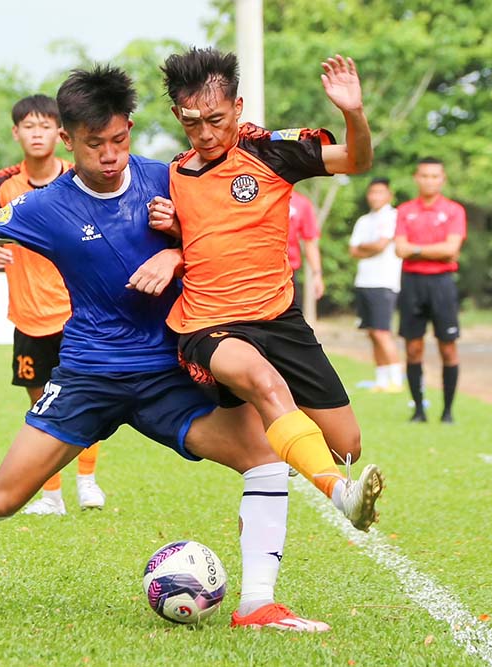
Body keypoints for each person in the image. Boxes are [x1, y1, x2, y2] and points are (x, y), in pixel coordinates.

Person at [0, 65, 332, 631]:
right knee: (5, 496)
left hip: (167, 373)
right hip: (89, 375)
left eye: (120, 140)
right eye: (95, 145)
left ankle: (256, 604)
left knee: (265, 457)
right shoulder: (44, 207)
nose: (111, 154)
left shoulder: (166, 178)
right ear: (69, 141)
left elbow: (220, 237)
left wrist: (176, 254)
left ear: (131, 130)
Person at [155, 47, 384, 530]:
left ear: (238, 108)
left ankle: (278, 435)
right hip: (208, 325)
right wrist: (172, 239)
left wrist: (352, 111)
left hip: (278, 319)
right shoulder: (173, 173)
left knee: (346, 445)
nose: (206, 133)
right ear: (178, 114)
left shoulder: (270, 150)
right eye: (193, 123)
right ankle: (338, 493)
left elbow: (357, 161)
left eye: (217, 119)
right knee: (265, 381)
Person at [0, 94, 104, 516]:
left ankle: (87, 481)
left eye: (44, 126)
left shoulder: (79, 176)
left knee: (87, 398)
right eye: (28, 127)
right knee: (39, 404)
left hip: (76, 312)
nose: (36, 133)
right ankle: (51, 496)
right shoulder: (2, 184)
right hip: (28, 316)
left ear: (60, 133)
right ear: (16, 133)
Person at [393, 157, 467, 423]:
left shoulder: (454, 211)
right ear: (416, 178)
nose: (429, 180)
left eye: (435, 176)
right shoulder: (404, 211)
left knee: (448, 347)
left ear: (442, 179)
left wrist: (416, 250)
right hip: (412, 281)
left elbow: (451, 249)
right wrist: (432, 252)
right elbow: (399, 249)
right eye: (425, 175)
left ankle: (448, 411)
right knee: (413, 348)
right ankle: (419, 411)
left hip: (442, 284)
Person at [348, 177, 403, 393]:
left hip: (384, 281)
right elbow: (353, 250)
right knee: (371, 332)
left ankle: (396, 380)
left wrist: (366, 248)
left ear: (389, 195)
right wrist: (369, 247)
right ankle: (381, 380)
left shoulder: (394, 217)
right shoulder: (364, 220)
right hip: (364, 281)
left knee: (382, 332)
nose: (375, 197)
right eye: (372, 192)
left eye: (380, 192)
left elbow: (382, 245)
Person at [287, 189, 323, 308]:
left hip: (288, 274)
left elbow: (310, 241)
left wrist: (317, 274)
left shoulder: (301, 203)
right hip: (256, 271)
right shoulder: (259, 194)